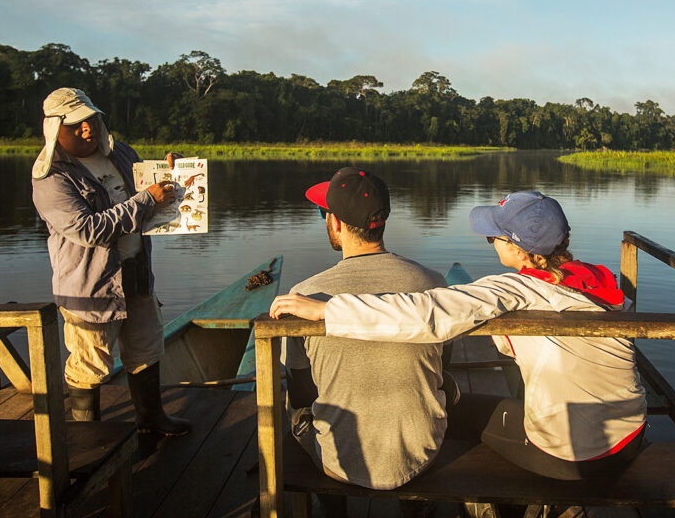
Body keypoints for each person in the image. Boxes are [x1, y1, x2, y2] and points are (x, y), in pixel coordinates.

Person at [271, 191, 647, 481]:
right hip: (631, 435)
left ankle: (484, 501)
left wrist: (328, 310)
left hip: (578, 455)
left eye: (494, 237)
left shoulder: (515, 288)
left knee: (455, 411)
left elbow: (427, 313)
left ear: (516, 247)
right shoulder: (596, 280)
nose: (490, 242)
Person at [31, 87, 191, 436]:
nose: (87, 128)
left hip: (136, 275)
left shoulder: (120, 153)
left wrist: (172, 172)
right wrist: (147, 200)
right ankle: (86, 437)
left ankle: (152, 419)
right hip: (92, 287)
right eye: (76, 125)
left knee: (146, 349)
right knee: (90, 363)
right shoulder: (52, 177)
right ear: (55, 129)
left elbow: (147, 188)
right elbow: (88, 230)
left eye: (91, 119)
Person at [283, 166, 450, 498]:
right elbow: (443, 366)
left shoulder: (305, 295)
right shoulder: (433, 283)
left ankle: (332, 505)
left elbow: (302, 390)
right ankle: (417, 504)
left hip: (339, 463)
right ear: (382, 220)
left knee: (295, 410)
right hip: (421, 455)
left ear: (335, 222)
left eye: (323, 213)